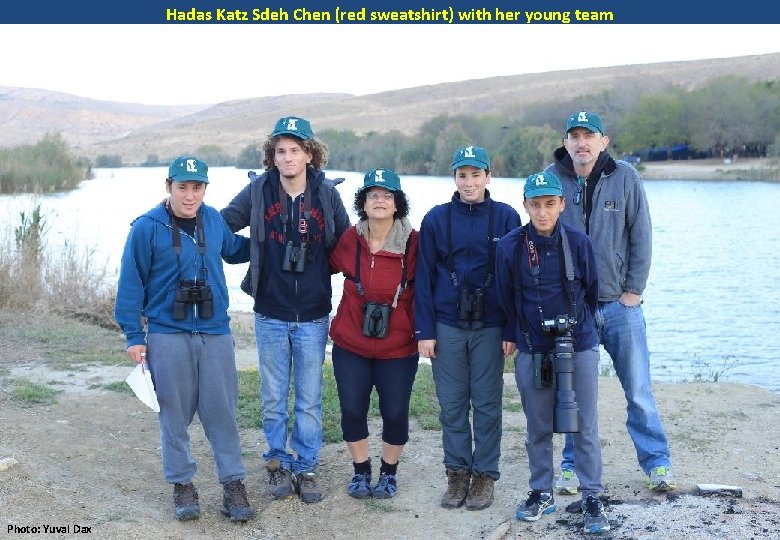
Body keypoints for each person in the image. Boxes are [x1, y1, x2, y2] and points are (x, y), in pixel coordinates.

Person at [114, 156, 254, 523]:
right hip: (166, 332)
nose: (190, 195)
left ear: (205, 189)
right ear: (168, 186)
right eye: (183, 187)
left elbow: (235, 249)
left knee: (222, 412)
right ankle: (182, 485)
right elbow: (130, 285)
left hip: (215, 332)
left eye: (197, 187)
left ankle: (233, 484)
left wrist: (269, 238)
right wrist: (134, 335)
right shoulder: (146, 227)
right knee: (173, 416)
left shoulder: (212, 219)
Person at [220, 116, 350, 503]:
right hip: (270, 312)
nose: (288, 157)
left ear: (310, 154)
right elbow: (223, 224)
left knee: (309, 396)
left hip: (313, 313)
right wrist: (252, 249)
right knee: (274, 394)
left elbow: (344, 244)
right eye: (281, 151)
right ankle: (277, 461)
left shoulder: (326, 194)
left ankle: (306, 466)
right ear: (271, 156)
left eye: (296, 150)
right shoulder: (258, 191)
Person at [546, 110, 675, 494]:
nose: (582, 143)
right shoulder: (550, 181)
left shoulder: (626, 178)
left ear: (604, 141)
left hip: (621, 307)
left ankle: (657, 464)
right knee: (573, 394)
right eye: (575, 136)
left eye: (590, 135)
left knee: (638, 389)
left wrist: (633, 291)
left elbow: (642, 236)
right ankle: (571, 466)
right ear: (566, 142)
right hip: (573, 310)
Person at [495, 171, 609, 533]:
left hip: (579, 343)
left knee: (584, 425)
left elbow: (591, 292)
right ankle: (541, 491)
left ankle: (591, 495)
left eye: (549, 204)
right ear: (525, 206)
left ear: (562, 204)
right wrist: (518, 334)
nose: (542, 213)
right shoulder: (510, 245)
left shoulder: (579, 242)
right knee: (538, 425)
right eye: (535, 205)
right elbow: (505, 295)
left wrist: (574, 327)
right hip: (532, 345)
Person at [415, 145, 521, 511]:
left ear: (488, 176)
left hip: (492, 325)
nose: (470, 181)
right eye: (463, 175)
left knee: (488, 404)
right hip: (446, 324)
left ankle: (485, 476)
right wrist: (424, 332)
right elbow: (423, 278)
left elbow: (515, 279)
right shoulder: (436, 219)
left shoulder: (507, 218)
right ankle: (457, 473)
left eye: (476, 174)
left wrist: (512, 329)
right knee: (452, 404)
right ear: (454, 178)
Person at [328, 168, 419, 499]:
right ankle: (361, 471)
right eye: (372, 195)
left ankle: (389, 473)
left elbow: (429, 291)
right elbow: (317, 267)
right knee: (352, 408)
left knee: (395, 411)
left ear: (398, 204)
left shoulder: (415, 243)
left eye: (387, 195)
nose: (379, 200)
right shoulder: (350, 240)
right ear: (363, 203)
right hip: (351, 344)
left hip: (398, 346)